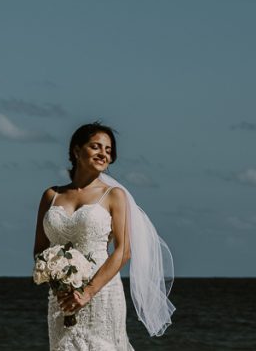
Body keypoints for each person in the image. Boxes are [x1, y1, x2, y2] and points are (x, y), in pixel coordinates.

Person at [34, 122, 174, 349]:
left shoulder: (114, 196)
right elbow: (40, 250)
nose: (103, 154)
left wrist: (87, 292)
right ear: (77, 151)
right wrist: (60, 285)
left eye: (108, 150)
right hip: (61, 298)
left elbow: (123, 250)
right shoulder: (51, 195)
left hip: (102, 292)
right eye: (96, 147)